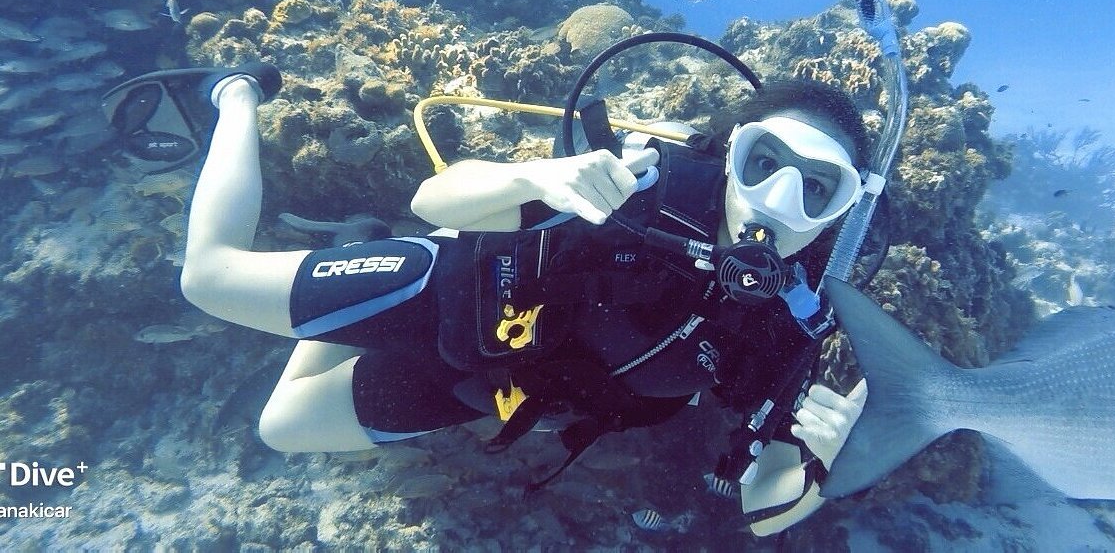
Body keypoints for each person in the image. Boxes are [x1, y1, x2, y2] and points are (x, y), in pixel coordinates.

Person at [107, 60, 870, 533]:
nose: (780, 199)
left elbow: (760, 510)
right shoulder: (645, 185)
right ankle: (236, 91)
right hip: (442, 288)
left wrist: (824, 465)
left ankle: (352, 257)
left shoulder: (788, 327)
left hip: (481, 388)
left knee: (280, 425)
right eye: (764, 161)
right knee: (206, 278)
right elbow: (435, 197)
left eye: (817, 187)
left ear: (839, 212)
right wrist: (538, 178)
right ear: (731, 154)